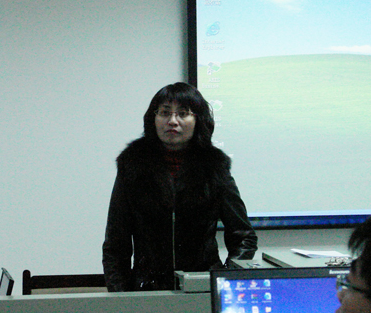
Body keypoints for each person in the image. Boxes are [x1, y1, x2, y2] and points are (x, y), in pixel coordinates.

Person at [102, 82, 257, 291]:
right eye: (165, 112)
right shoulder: (133, 165)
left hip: (202, 288)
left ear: (198, 120)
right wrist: (120, 295)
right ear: (153, 118)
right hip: (146, 290)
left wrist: (224, 282)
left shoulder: (214, 167)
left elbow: (244, 237)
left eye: (183, 114)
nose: (172, 121)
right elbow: (115, 242)